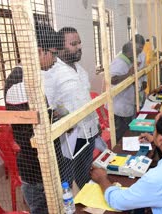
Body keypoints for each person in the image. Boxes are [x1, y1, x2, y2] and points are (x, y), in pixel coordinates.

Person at [4, 24, 60, 214]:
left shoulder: (30, 78)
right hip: (35, 168)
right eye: (53, 53)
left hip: (41, 164)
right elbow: (30, 132)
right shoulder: (20, 82)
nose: (54, 60)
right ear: (38, 50)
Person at [44, 27, 99, 189]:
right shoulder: (52, 72)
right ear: (59, 48)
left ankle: (87, 202)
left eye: (79, 43)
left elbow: (86, 99)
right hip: (70, 135)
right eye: (73, 44)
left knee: (85, 173)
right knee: (67, 177)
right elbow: (50, 105)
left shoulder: (79, 70)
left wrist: (95, 123)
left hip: (88, 130)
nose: (79, 47)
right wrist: (66, 117)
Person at [110, 42, 141, 142]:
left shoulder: (127, 61)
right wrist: (129, 73)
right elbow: (112, 80)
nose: (136, 56)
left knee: (127, 131)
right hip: (119, 106)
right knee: (121, 134)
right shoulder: (119, 62)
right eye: (135, 54)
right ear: (130, 53)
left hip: (125, 103)